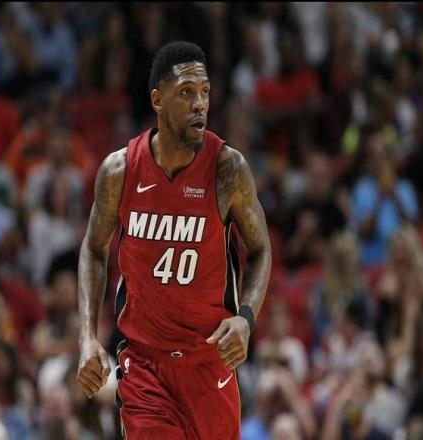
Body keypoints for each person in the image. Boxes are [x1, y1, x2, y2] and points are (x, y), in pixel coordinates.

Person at [76, 41, 272, 439]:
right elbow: (94, 249)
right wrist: (87, 336)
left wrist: (246, 319)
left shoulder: (228, 169)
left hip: (209, 359)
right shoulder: (119, 171)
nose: (200, 104)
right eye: (186, 92)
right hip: (144, 365)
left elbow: (261, 249)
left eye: (205, 92)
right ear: (157, 100)